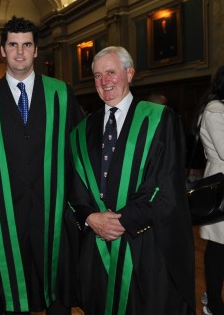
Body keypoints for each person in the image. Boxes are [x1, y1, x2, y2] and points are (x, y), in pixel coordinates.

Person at [69, 46, 196, 315]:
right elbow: (73, 186)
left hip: (145, 241)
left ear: (129, 73)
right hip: (97, 244)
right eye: (97, 75)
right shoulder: (81, 130)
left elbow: (165, 183)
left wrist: (120, 222)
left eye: (111, 72)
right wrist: (91, 218)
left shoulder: (160, 119)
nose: (104, 81)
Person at [0, 16, 82, 314]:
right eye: (13, 44)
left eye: (27, 44)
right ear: (3, 50)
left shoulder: (62, 94)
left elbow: (77, 153)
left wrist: (78, 206)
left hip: (53, 210)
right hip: (3, 214)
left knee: (57, 292)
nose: (20, 51)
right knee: (8, 295)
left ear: (36, 50)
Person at [198, 65, 224, 315]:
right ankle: (213, 302)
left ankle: (212, 294)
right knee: (218, 246)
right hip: (221, 184)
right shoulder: (215, 109)